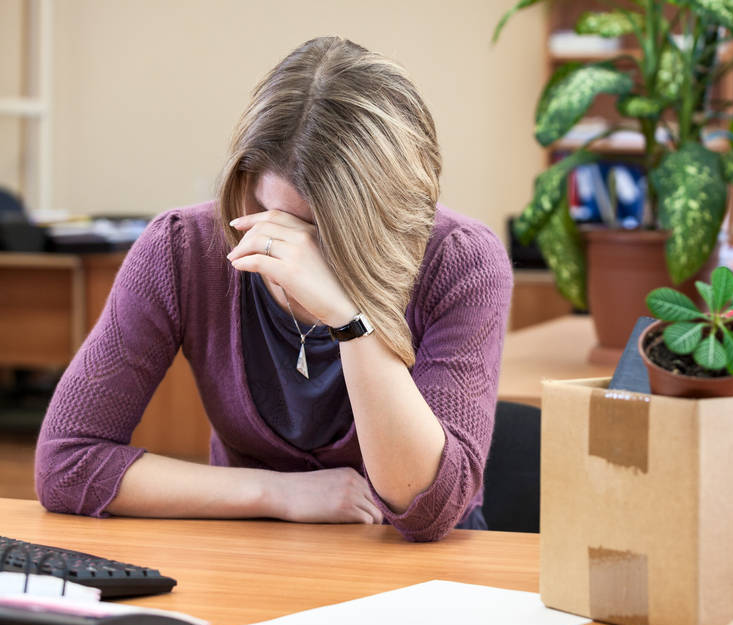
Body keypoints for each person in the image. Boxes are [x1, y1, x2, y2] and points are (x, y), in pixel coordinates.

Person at [33, 36, 513, 542]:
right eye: (271, 212)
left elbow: (427, 511)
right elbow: (67, 462)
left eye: (322, 231)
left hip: (421, 574)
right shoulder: (182, 248)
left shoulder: (461, 260)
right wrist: (280, 494)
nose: (288, 246)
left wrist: (350, 319)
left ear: (386, 214)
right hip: (252, 551)